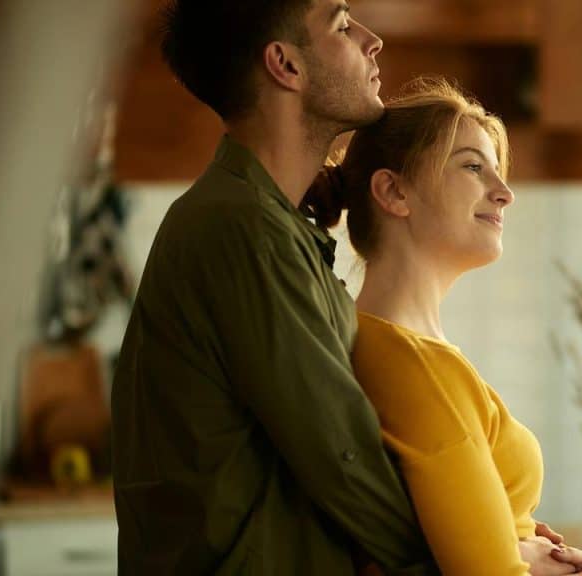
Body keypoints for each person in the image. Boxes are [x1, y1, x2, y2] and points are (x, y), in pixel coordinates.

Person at [110, 1, 439, 573]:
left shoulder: (264, 221)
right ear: (285, 65)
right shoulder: (246, 231)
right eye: (341, 24)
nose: (373, 39)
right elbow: (343, 454)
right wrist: (473, 558)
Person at [305, 77, 582, 576]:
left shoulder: (394, 346)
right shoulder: (414, 364)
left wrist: (509, 535)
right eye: (473, 167)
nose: (504, 194)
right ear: (393, 191)